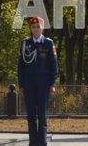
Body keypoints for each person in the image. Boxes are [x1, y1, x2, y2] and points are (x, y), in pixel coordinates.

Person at [17, 16, 59, 146]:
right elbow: (21, 66)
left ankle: (42, 142)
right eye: (33, 27)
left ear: (42, 28)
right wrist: (22, 84)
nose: (35, 29)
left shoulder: (48, 43)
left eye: (38, 26)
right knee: (30, 115)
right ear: (31, 28)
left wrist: (53, 83)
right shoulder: (26, 43)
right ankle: (33, 142)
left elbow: (54, 65)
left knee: (42, 114)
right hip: (29, 83)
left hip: (43, 83)